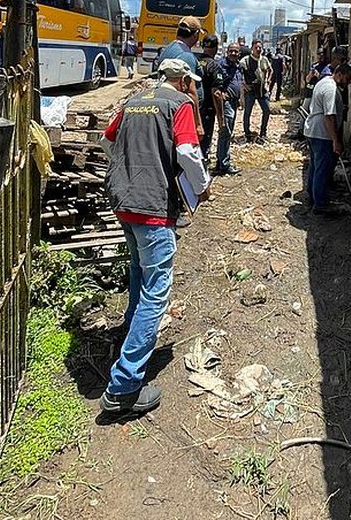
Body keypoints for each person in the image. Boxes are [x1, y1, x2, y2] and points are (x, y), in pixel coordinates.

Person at [99, 58, 211, 414]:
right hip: (153, 208)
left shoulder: (133, 103)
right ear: (181, 82)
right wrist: (202, 186)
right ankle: (124, 387)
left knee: (138, 272)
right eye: (190, 83)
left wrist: (131, 167)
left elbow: (107, 140)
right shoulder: (178, 105)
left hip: (124, 203)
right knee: (156, 292)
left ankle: (129, 336)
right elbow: (188, 153)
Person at [304, 63, 351, 216]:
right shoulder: (331, 89)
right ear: (339, 74)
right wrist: (336, 140)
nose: (348, 82)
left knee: (315, 166)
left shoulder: (323, 82)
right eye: (347, 78)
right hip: (322, 134)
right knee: (323, 169)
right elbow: (329, 117)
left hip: (312, 131)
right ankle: (320, 204)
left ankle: (312, 197)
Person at [159, 16, 206, 139]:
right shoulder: (186, 55)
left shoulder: (168, 49)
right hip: (181, 113)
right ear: (195, 35)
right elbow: (190, 91)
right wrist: (198, 124)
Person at [195, 34, 226, 163]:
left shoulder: (195, 62)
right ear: (216, 48)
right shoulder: (214, 66)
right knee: (204, 143)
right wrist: (221, 119)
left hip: (193, 107)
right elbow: (216, 93)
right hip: (206, 110)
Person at [215, 43, 244, 175]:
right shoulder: (221, 65)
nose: (233, 53)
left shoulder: (238, 66)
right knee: (225, 132)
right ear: (227, 52)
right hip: (225, 103)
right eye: (231, 51)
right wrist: (223, 94)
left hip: (233, 102)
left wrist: (238, 99)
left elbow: (238, 82)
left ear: (239, 53)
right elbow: (216, 85)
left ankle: (221, 161)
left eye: (236, 52)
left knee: (227, 133)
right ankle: (224, 165)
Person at [240, 40, 272, 143]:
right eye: (256, 47)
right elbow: (239, 73)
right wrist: (244, 85)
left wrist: (268, 80)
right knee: (247, 112)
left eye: (260, 48)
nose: (258, 49)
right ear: (252, 48)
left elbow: (270, 70)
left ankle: (263, 132)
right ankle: (247, 133)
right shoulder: (246, 60)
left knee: (267, 110)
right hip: (250, 90)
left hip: (262, 90)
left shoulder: (264, 60)